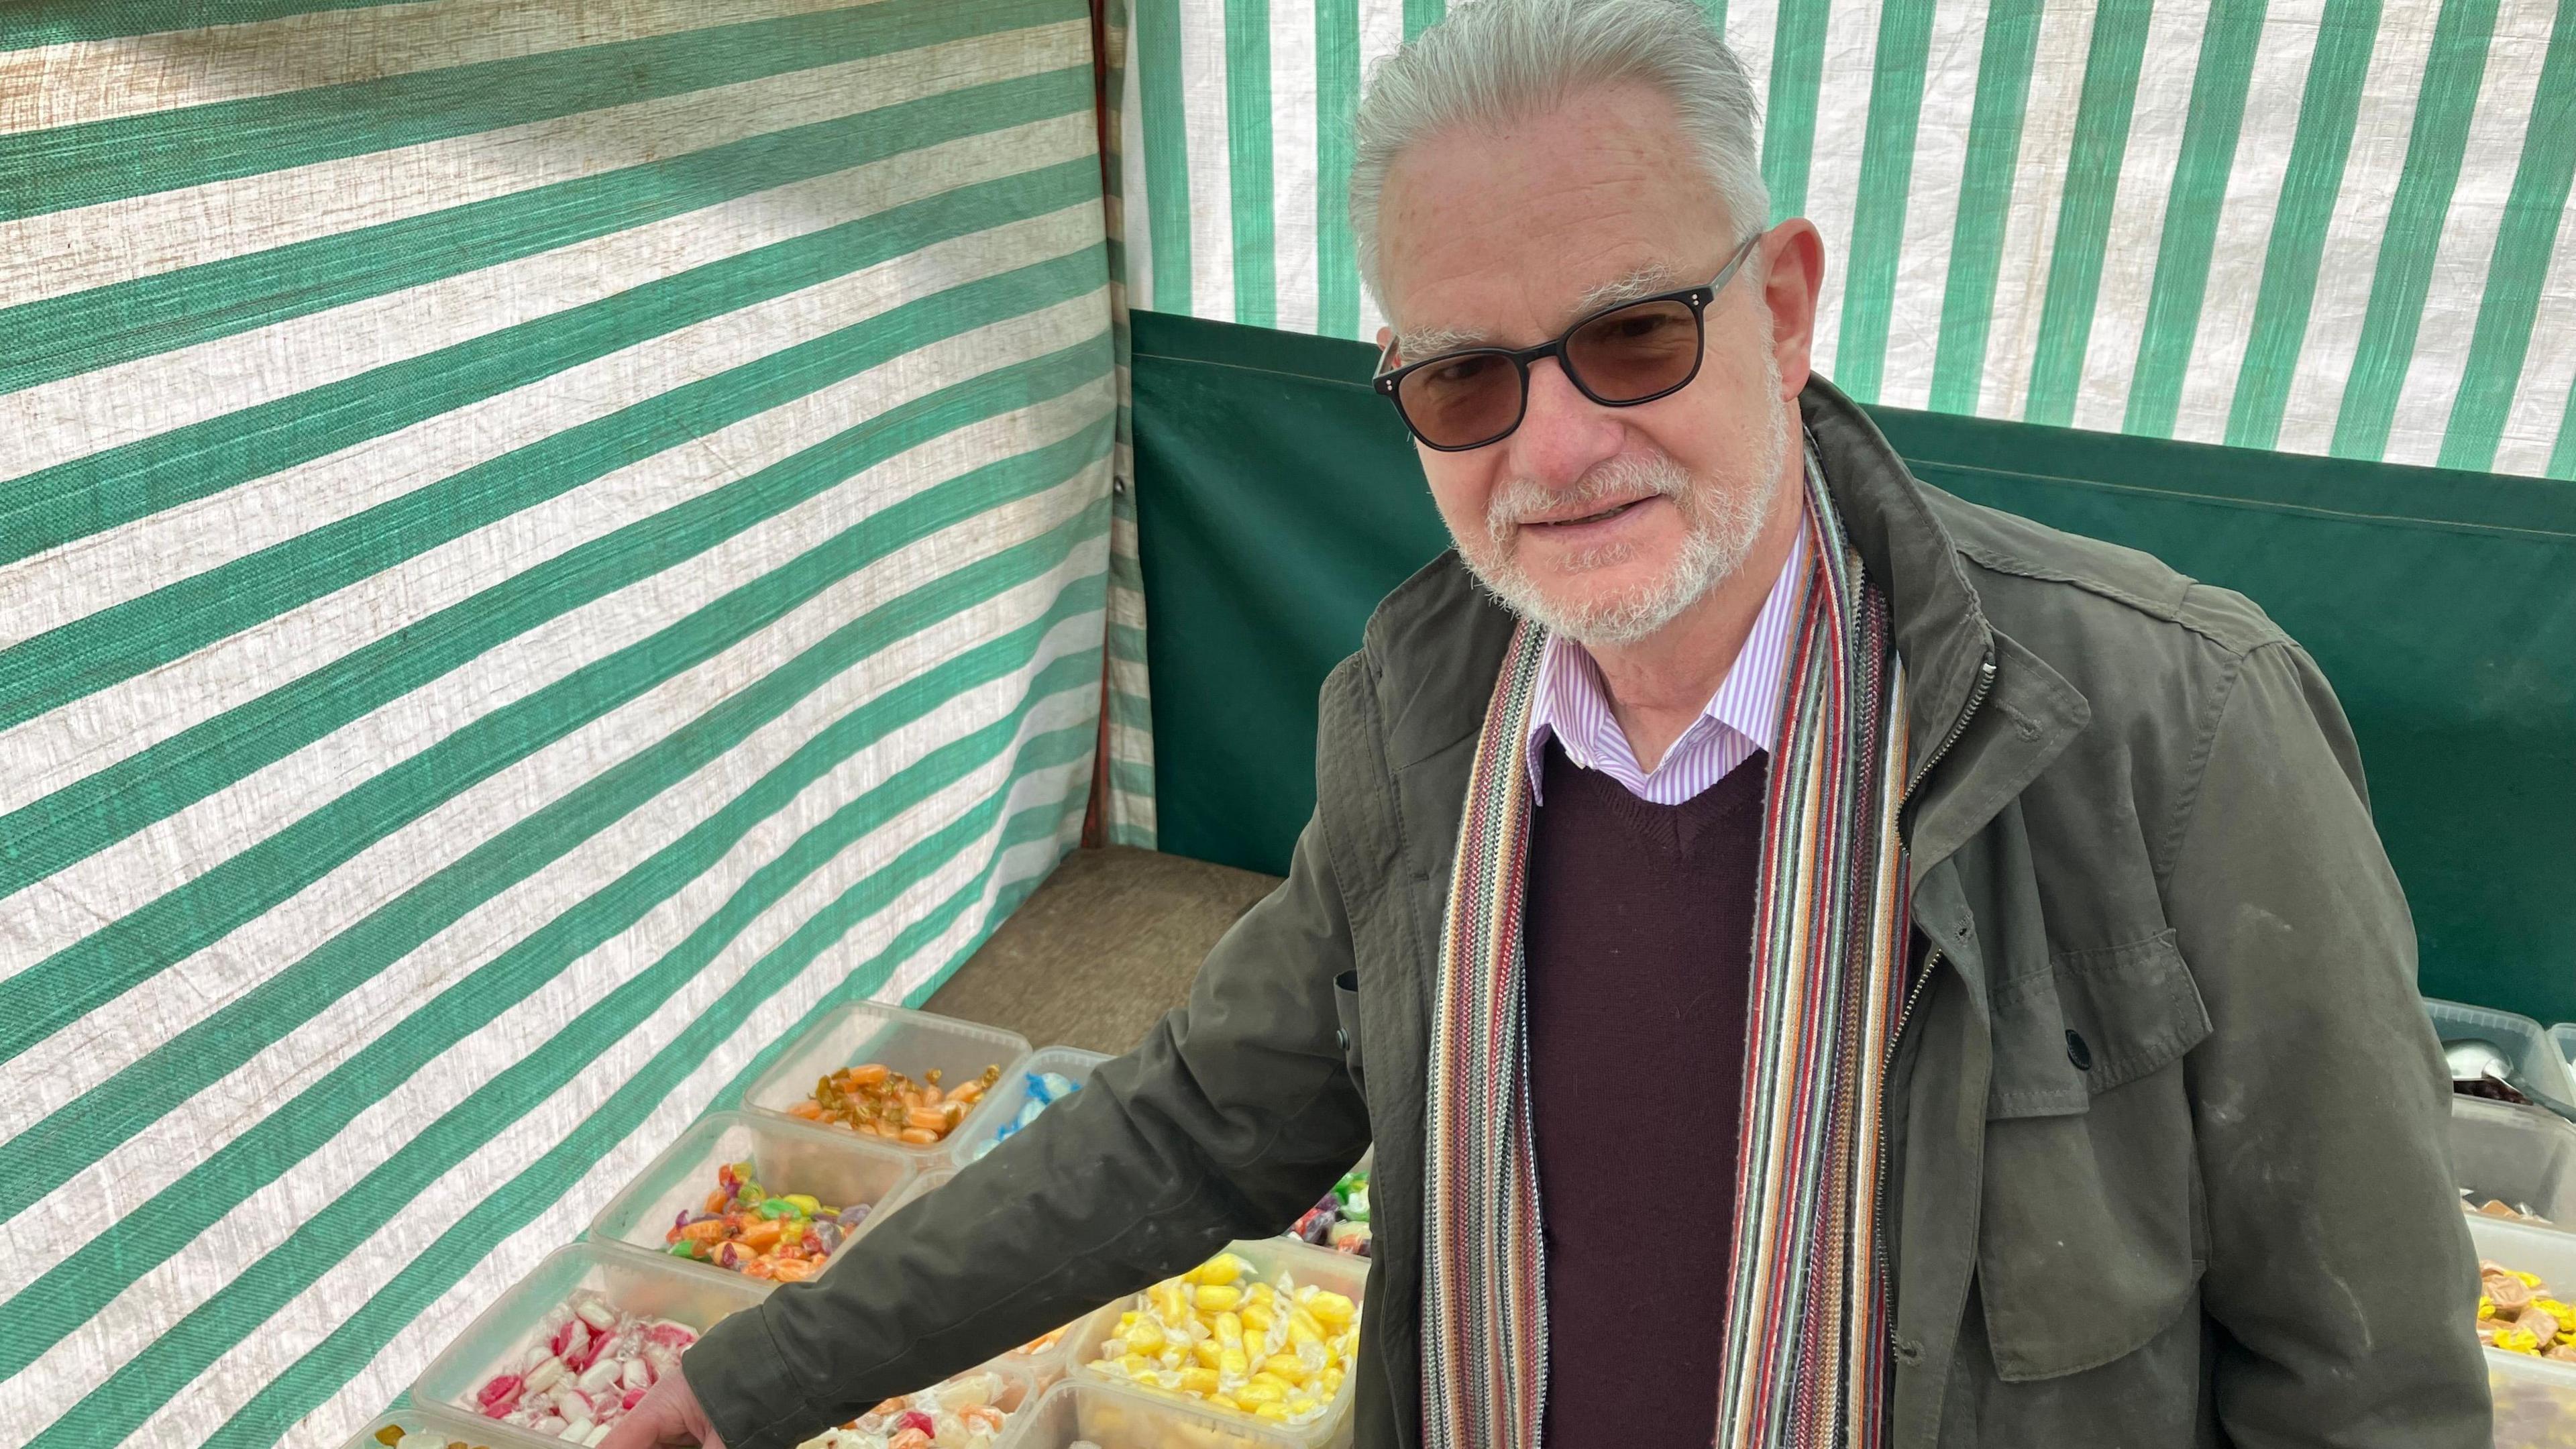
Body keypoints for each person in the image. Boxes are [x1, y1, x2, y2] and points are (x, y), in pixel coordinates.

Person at [604, 1, 2487, 1445]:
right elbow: (1199, 1126)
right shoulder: (1417, 724)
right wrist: (760, 1376)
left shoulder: (2172, 727)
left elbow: (2371, 1378)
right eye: (1464, 376)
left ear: (1785, 302)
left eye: (1635, 336)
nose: (1559, 445)